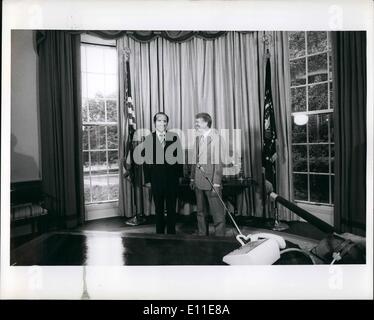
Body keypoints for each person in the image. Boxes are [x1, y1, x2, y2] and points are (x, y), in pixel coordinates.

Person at [143, 112, 183, 234]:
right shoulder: (149, 138)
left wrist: (180, 176)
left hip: (172, 179)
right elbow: (146, 162)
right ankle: (159, 232)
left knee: (171, 208)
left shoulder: (174, 137)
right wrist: (148, 180)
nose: (162, 123)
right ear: (155, 122)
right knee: (159, 208)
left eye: (164, 121)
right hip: (156, 179)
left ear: (167, 123)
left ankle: (171, 232)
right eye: (159, 120)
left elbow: (179, 158)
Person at [190, 113, 226, 236]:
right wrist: (192, 179)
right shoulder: (197, 138)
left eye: (198, 122)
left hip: (212, 183)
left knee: (217, 215)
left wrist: (216, 183)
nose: (196, 125)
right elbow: (195, 161)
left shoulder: (217, 138)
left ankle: (220, 240)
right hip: (198, 182)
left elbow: (219, 163)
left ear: (206, 123)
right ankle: (202, 238)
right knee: (200, 213)